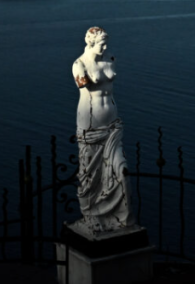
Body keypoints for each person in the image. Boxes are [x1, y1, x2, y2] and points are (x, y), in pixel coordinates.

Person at [72, 27, 134, 234]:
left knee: (122, 171)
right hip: (91, 124)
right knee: (90, 175)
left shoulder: (111, 59)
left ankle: (122, 217)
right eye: (101, 44)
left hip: (113, 125)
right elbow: (83, 87)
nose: (105, 47)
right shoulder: (79, 65)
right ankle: (91, 215)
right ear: (90, 43)